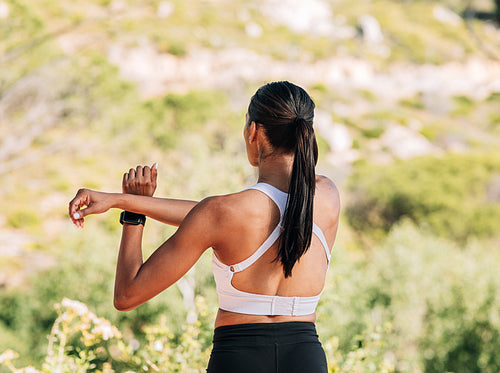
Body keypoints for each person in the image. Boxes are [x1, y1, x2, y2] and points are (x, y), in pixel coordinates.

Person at [69, 81, 340, 372]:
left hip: (238, 358)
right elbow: (209, 217)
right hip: (305, 359)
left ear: (254, 132)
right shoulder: (327, 196)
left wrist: (133, 214)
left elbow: (127, 296)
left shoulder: (222, 214)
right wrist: (121, 200)